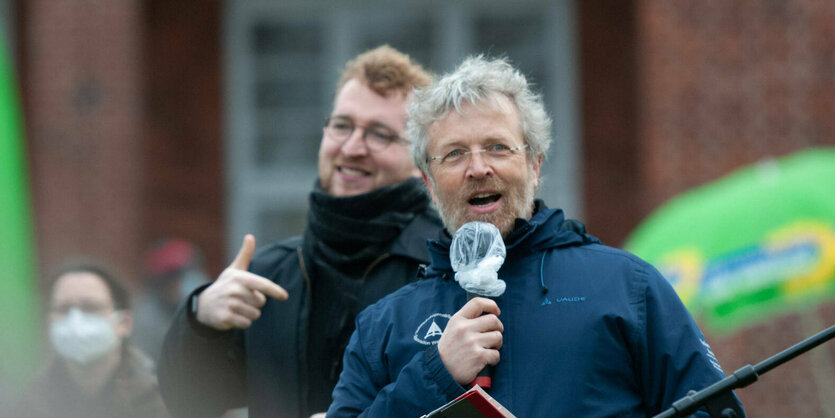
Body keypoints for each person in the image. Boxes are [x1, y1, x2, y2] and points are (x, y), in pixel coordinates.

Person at [327, 56, 745, 417]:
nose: (478, 168)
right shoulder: (383, 325)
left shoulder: (627, 288)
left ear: (534, 165)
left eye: (497, 147)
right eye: (454, 154)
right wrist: (435, 374)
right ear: (429, 182)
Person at [157, 45, 442, 418]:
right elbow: (188, 401)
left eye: (380, 134)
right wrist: (201, 319)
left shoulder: (444, 268)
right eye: (342, 126)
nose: (352, 147)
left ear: (419, 158)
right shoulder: (267, 277)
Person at [11, 263, 170, 418]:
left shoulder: (162, 401)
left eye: (91, 307)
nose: (75, 321)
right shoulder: (30, 404)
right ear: (48, 322)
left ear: (124, 323)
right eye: (63, 308)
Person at [133, 239, 209, 361]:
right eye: (178, 277)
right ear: (162, 285)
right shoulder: (146, 321)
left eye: (192, 271)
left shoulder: (210, 309)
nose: (188, 281)